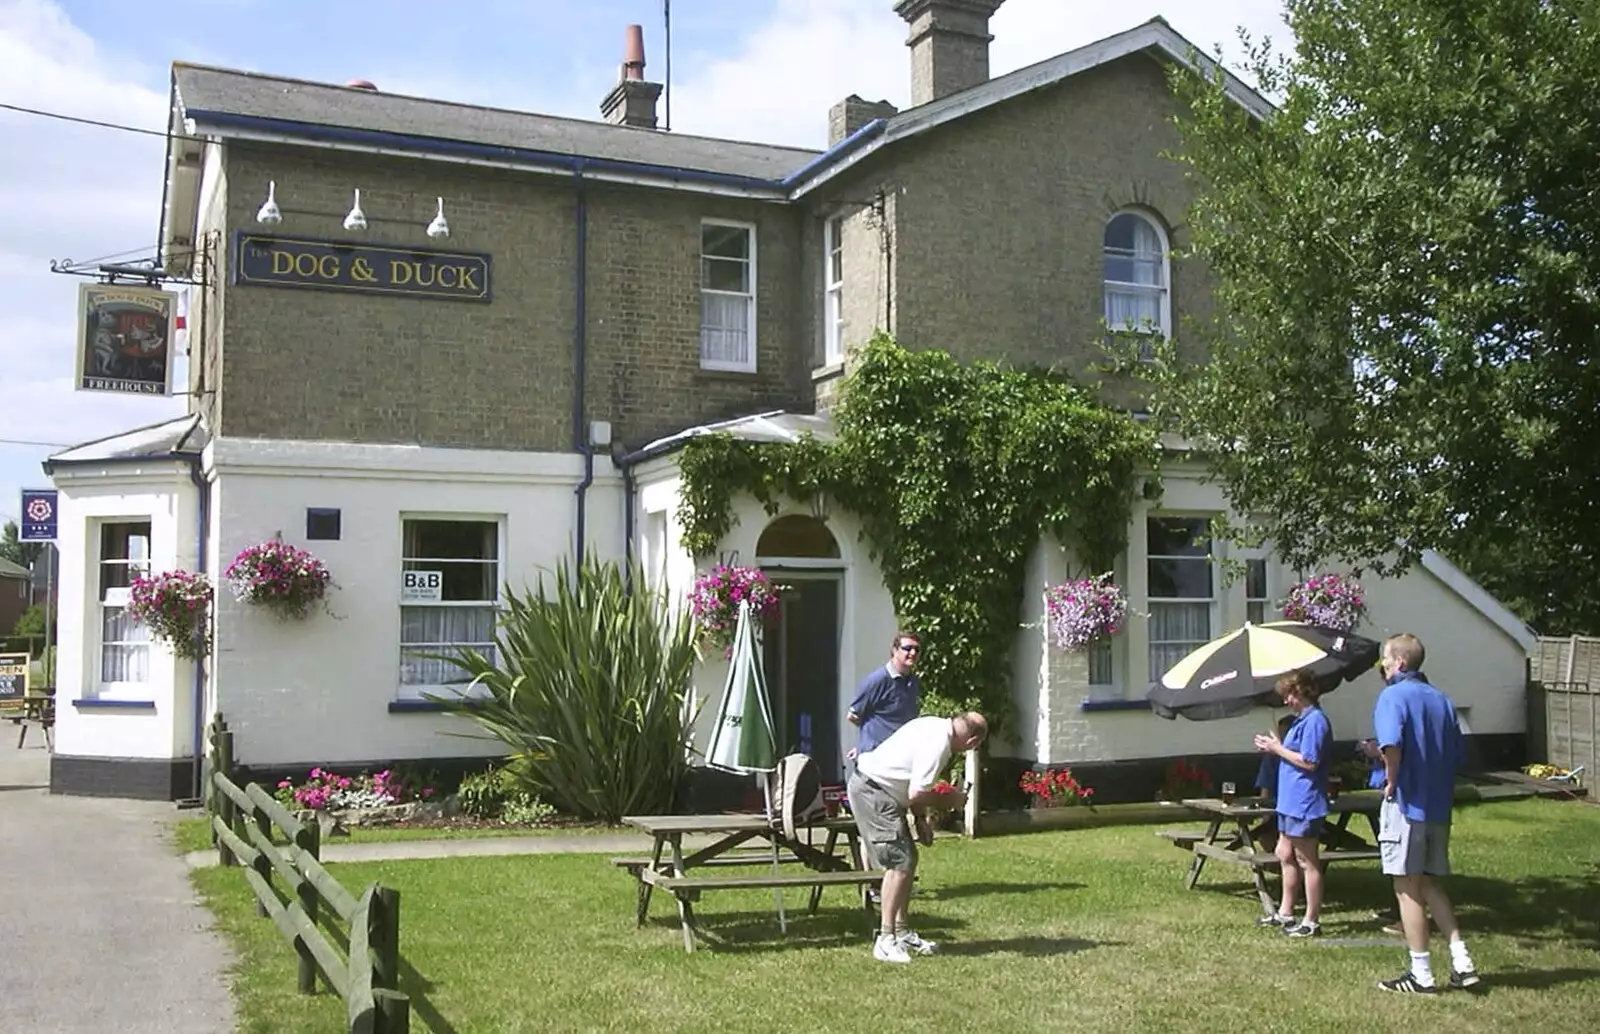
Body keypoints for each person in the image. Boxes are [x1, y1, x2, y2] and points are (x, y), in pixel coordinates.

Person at [1372, 633, 1481, 994]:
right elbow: (1457, 754)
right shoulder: (1443, 700)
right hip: (1437, 806)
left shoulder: (1392, 695)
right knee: (1432, 884)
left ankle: (1421, 973)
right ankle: (1462, 962)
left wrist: (1390, 780)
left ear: (1400, 662)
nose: (1382, 667)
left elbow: (1392, 745)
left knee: (1407, 888)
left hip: (1406, 804)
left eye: (1385, 660)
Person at [849, 711, 988, 963]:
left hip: (880, 791)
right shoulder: (939, 744)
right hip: (874, 792)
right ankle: (886, 939)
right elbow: (916, 792)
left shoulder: (933, 725)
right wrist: (951, 800)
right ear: (971, 742)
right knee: (899, 863)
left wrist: (920, 819)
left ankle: (901, 933)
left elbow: (911, 780)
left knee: (907, 859)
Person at [1252, 670, 1333, 938]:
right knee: (1284, 854)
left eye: (1288, 694)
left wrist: (1278, 749)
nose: (1285, 700)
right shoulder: (1300, 722)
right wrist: (1274, 746)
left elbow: (1310, 761)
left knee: (1307, 860)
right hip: (1289, 801)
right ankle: (1285, 913)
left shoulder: (1316, 721)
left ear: (1300, 692)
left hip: (1305, 802)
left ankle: (1311, 920)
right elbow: (1292, 756)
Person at [846, 631, 923, 762]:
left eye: (917, 649)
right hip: (876, 758)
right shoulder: (877, 680)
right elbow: (853, 715)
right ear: (894, 650)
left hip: (901, 756)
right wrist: (868, 742)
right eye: (907, 648)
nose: (913, 653)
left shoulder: (913, 682)